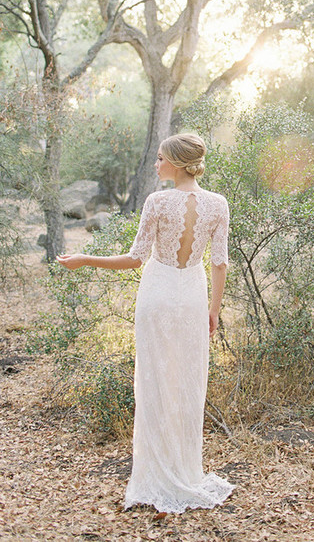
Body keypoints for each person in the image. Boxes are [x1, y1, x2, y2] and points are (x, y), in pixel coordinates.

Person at [57, 132, 234, 513]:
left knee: (154, 382)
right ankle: (184, 471)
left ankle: (157, 475)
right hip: (192, 298)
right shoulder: (218, 204)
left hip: (157, 295)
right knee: (187, 383)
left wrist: (85, 259)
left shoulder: (157, 201)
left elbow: (135, 259)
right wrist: (214, 310)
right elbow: (219, 263)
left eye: (160, 159)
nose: (156, 164)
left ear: (178, 163)